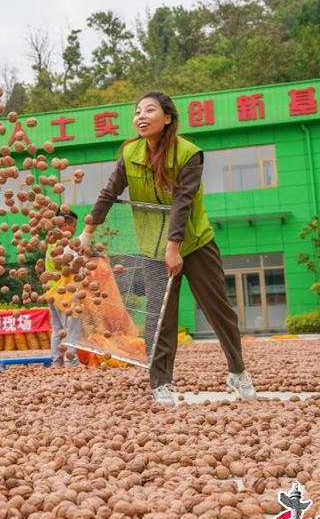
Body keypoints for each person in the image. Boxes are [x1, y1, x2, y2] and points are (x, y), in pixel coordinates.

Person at [80, 92, 257, 405]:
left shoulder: (189, 154)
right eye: (137, 112)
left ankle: (238, 372)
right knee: (160, 319)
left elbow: (182, 203)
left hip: (194, 242)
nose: (141, 117)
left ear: (168, 118)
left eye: (150, 110)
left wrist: (174, 248)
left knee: (219, 311)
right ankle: (160, 383)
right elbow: (109, 192)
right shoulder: (130, 151)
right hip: (152, 247)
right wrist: (88, 231)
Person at [45, 210, 81, 367]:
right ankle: (71, 362)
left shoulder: (51, 242)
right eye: (74, 226)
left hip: (51, 292)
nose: (74, 229)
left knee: (57, 329)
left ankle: (56, 362)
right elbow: (75, 265)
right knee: (71, 327)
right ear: (65, 225)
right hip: (63, 292)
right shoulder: (65, 244)